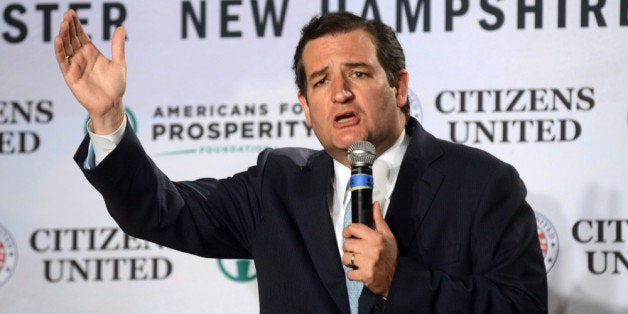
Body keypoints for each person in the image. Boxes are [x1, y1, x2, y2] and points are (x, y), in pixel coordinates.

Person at [54, 9, 548, 314]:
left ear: (399, 88)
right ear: (305, 107)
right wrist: (108, 116)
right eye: (320, 82)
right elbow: (161, 211)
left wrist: (401, 282)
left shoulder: (481, 183)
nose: (340, 94)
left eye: (357, 72)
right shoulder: (276, 186)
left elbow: (522, 308)